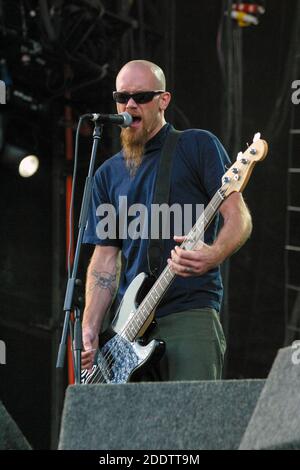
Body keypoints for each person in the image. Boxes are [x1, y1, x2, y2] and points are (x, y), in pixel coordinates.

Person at [81, 59, 252, 381]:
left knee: (192, 421)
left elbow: (238, 216)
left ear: (164, 100)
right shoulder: (107, 175)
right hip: (127, 330)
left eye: (142, 96)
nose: (130, 104)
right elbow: (104, 261)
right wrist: (90, 327)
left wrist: (214, 253)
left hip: (188, 310)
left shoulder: (197, 145)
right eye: (122, 97)